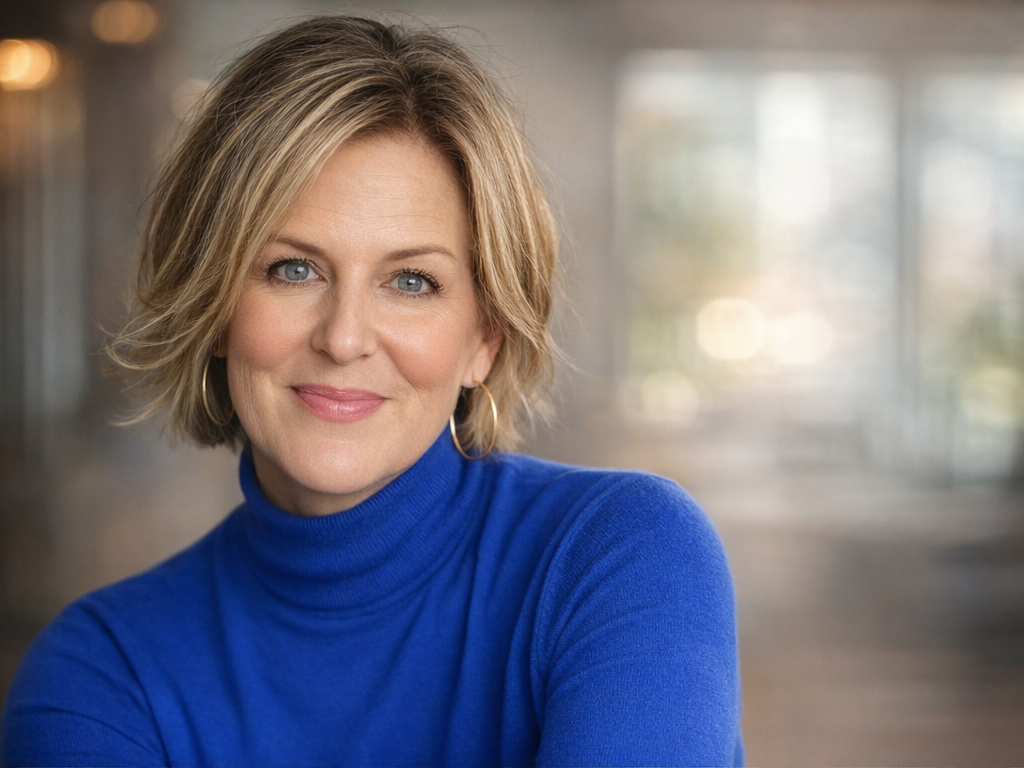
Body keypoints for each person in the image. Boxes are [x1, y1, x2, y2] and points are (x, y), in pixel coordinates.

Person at [1, 15, 741, 767]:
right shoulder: (100, 673)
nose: (344, 336)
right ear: (214, 303)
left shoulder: (621, 557)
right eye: (293, 269)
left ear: (484, 339)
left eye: (411, 282)